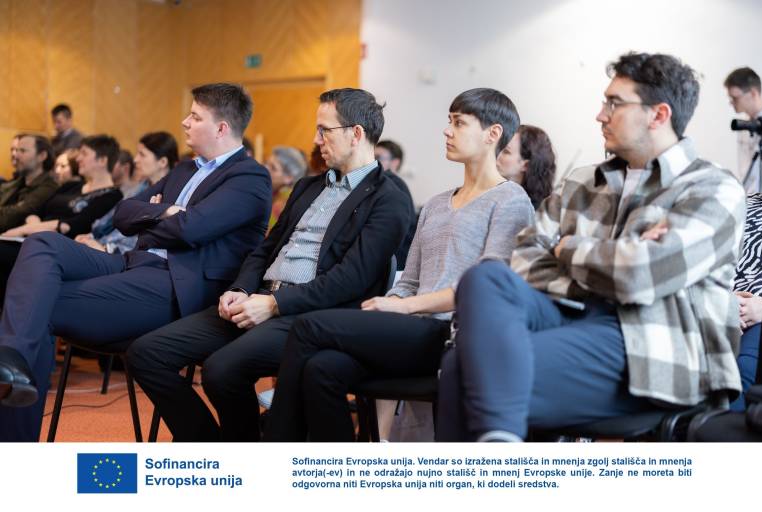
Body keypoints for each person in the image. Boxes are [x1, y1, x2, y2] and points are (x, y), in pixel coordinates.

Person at [435, 52, 745, 442]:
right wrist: (615, 259)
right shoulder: (583, 183)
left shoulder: (713, 188)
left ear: (658, 115)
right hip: (569, 318)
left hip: (651, 346)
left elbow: (638, 274)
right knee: (486, 278)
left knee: (461, 369)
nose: (600, 115)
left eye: (614, 103)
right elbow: (525, 260)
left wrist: (564, 247)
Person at [126, 87, 411, 442]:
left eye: (324, 130)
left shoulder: (388, 198)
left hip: (309, 315)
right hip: (259, 299)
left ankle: (242, 456)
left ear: (356, 134)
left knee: (221, 370)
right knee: (146, 354)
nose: (315, 140)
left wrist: (276, 304)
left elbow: (352, 278)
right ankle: (212, 446)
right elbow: (265, 250)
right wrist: (240, 288)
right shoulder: (308, 187)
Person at [0, 82, 271, 442]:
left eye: (195, 116)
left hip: (175, 286)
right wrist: (166, 212)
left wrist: (157, 215)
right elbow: (123, 213)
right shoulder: (185, 169)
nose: (185, 122)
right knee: (42, 243)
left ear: (222, 128)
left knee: (37, 304)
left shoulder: (249, 177)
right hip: (132, 263)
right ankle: (11, 360)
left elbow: (192, 228)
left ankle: (12, 444)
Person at [264, 87, 535, 442]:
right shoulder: (436, 204)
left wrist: (403, 306)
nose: (447, 130)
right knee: (321, 369)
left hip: (455, 334)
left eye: (459, 123)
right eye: (449, 121)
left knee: (308, 327)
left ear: (492, 134)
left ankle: (276, 446)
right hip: (411, 331)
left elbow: (485, 290)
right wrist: (389, 304)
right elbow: (409, 282)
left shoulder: (511, 201)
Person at [77, 132, 179, 255]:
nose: (135, 160)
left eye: (142, 155)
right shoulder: (140, 188)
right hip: (107, 247)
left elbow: (144, 239)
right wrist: (92, 236)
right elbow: (112, 219)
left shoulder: (172, 195)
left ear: (162, 162)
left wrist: (106, 248)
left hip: (127, 257)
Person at [729, 193, 762, 411]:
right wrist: (724, 302)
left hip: (761, 322)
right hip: (721, 307)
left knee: (741, 370)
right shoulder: (742, 203)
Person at [0, 134, 58, 232]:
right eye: (16, 150)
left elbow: (13, 216)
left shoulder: (49, 187)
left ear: (42, 156)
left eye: (22, 151)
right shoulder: (16, 183)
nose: (16, 156)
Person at [724, 67, 762, 193]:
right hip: (750, 198)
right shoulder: (744, 126)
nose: (731, 103)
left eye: (735, 98)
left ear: (753, 93)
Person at [375, 140, 417, 270]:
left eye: (378, 157)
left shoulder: (392, 185)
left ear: (395, 162)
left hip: (395, 264)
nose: (372, 161)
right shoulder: (393, 184)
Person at [497, 124, 556, 209]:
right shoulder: (497, 191)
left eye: (506, 151)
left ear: (525, 165)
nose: (497, 154)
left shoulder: (528, 210)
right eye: (499, 147)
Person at [266, 145, 307, 228]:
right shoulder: (270, 189)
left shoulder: (283, 204)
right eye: (266, 163)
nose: (265, 168)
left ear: (288, 178)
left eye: (273, 168)